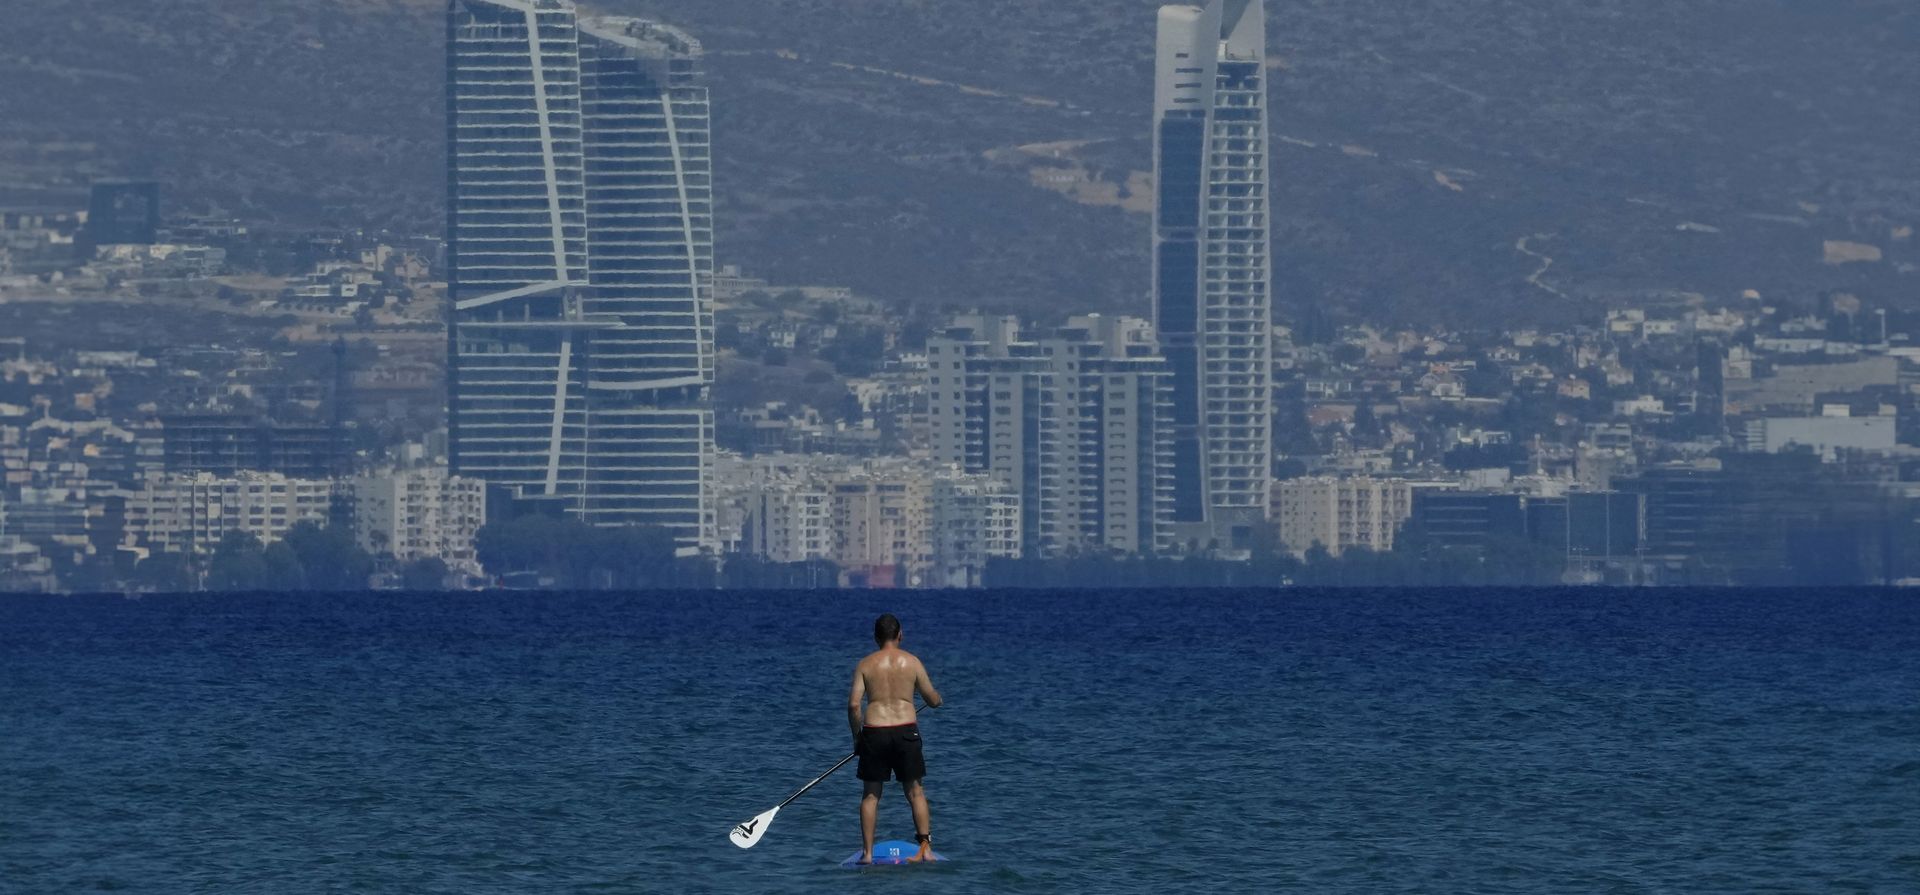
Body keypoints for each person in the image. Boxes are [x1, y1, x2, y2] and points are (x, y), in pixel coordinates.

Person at [848, 612, 942, 864]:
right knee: (915, 792)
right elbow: (931, 699)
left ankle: (867, 854)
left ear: (876, 637)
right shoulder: (912, 662)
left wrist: (858, 738)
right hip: (905, 731)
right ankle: (927, 850)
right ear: (900, 635)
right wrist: (937, 700)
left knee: (870, 795)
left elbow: (854, 706)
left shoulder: (865, 665)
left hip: (875, 732)